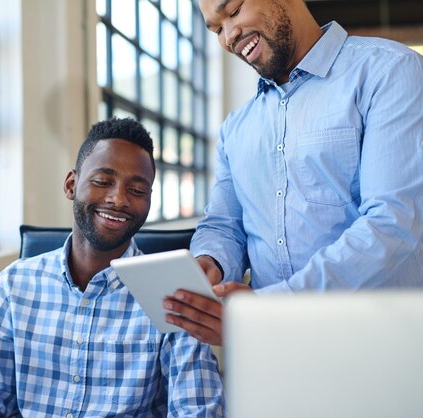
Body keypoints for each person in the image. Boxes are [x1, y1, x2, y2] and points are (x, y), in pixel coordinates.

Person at [163, 0, 423, 345]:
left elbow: (394, 222)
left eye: (234, 11)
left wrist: (271, 307)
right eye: (216, 29)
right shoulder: (235, 128)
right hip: (271, 349)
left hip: (377, 343)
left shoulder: (388, 70)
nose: (229, 37)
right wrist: (211, 261)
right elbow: (224, 224)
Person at [0, 117, 225, 417]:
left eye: (138, 191)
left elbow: (199, 411)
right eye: (103, 182)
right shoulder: (14, 285)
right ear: (71, 185)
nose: (118, 200)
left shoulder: (173, 296)